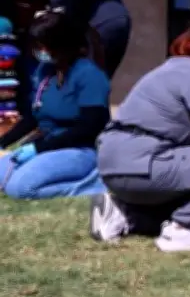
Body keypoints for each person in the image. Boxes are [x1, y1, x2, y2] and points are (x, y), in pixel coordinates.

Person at [91, 15, 190, 252]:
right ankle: (184, 228)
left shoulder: (170, 67)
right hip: (144, 163)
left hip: (112, 164)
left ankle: (123, 213)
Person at [0, 11, 110, 199]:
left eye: (44, 46)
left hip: (77, 150)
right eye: (37, 46)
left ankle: (94, 184)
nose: (40, 51)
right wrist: (3, 142)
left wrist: (39, 148)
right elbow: (33, 116)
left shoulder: (89, 75)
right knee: (4, 178)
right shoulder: (45, 71)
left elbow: (90, 127)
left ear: (62, 45)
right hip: (47, 146)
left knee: (21, 188)